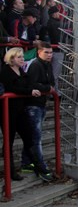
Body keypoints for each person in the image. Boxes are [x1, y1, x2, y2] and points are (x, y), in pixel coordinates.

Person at [0, 48, 42, 181]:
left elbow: (28, 84)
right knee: (9, 141)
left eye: (23, 57)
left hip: (20, 110)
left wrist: (31, 90)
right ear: (11, 59)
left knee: (29, 138)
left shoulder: (22, 71)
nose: (23, 59)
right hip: (8, 111)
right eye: (19, 57)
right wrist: (29, 91)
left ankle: (38, 166)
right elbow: (12, 88)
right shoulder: (5, 71)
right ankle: (11, 172)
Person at [21, 43, 55, 181]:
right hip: (33, 106)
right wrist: (47, 88)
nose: (50, 55)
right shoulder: (35, 65)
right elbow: (32, 84)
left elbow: (51, 82)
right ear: (39, 52)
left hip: (41, 104)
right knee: (36, 137)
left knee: (33, 136)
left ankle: (26, 162)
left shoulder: (47, 65)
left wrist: (47, 88)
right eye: (46, 52)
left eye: (51, 52)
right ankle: (41, 167)